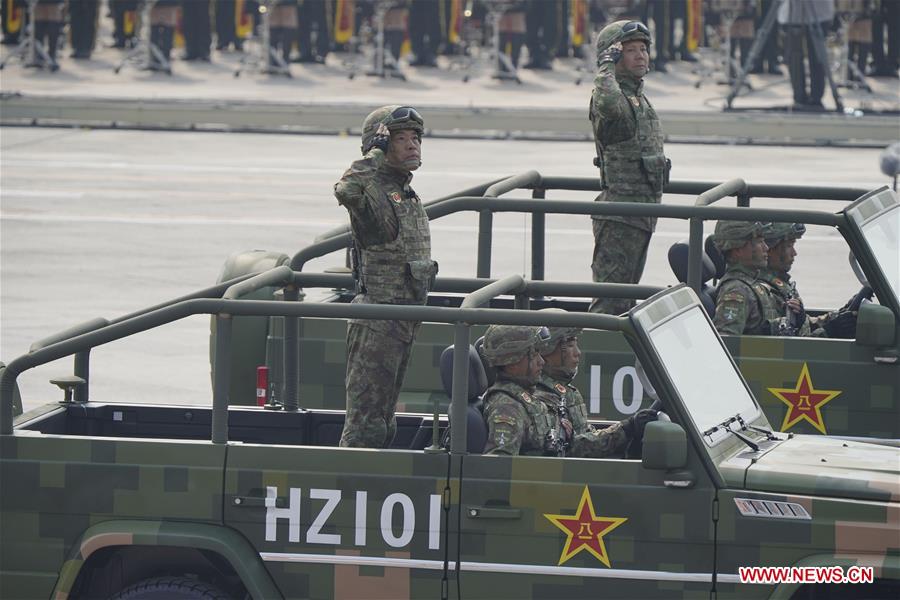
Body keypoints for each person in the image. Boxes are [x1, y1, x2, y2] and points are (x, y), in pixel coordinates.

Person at [335, 105, 437, 448]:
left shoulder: (403, 191)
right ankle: (353, 487)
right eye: (400, 139)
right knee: (366, 425)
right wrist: (374, 154)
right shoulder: (372, 191)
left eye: (415, 138)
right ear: (378, 146)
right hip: (377, 323)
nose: (412, 146)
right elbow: (346, 191)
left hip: (402, 322)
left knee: (385, 421)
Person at [589, 19, 669, 315]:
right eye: (630, 50)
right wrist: (605, 67)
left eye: (643, 49)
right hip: (620, 217)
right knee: (610, 302)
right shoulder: (612, 95)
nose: (640, 56)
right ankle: (595, 355)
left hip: (641, 215)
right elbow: (608, 104)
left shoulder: (638, 96)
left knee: (626, 300)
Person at [481, 324, 656, 457]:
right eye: (533, 355)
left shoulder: (526, 399)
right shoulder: (507, 409)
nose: (542, 361)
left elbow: (567, 444)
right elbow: (499, 469)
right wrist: (626, 429)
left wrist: (625, 429)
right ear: (513, 362)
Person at [758, 222, 858, 338]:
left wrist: (838, 315)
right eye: (789, 246)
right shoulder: (763, 290)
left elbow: (803, 328)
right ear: (769, 250)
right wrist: (828, 332)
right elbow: (785, 347)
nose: (794, 253)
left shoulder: (778, 285)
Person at [712, 220, 796, 336]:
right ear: (737, 250)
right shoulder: (737, 290)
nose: (766, 248)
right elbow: (727, 341)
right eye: (759, 242)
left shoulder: (752, 283)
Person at [777, 0, 834, 110]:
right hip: (793, 11)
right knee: (794, 56)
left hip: (819, 10)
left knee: (817, 55)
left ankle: (816, 97)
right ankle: (799, 96)